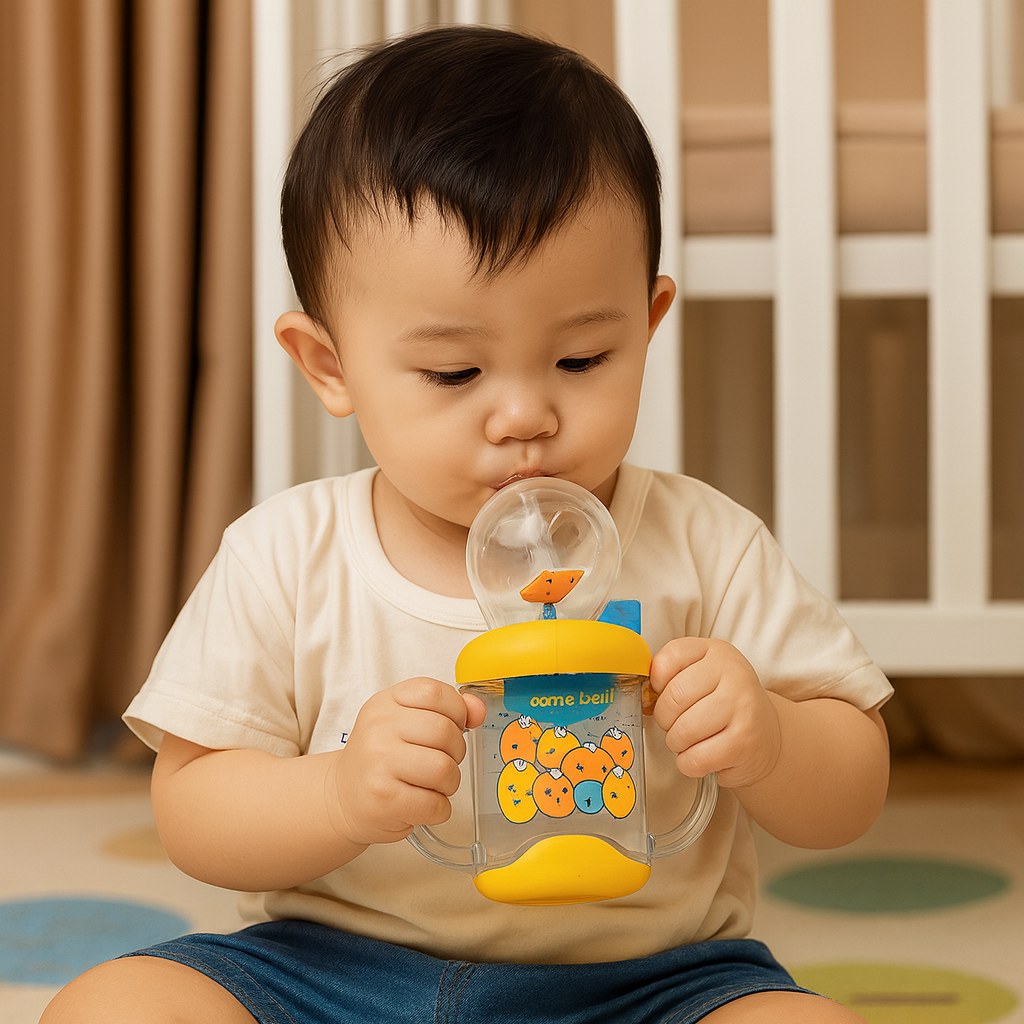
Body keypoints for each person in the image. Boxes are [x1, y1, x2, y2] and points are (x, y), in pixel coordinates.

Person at [43, 25, 891, 1024]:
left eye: (582, 360)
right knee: (118, 1005)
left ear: (648, 322)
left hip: (648, 984)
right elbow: (192, 808)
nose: (524, 414)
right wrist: (337, 795)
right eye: (453, 373)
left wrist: (774, 738)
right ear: (329, 366)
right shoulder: (288, 555)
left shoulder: (703, 541)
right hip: (329, 969)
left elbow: (851, 789)